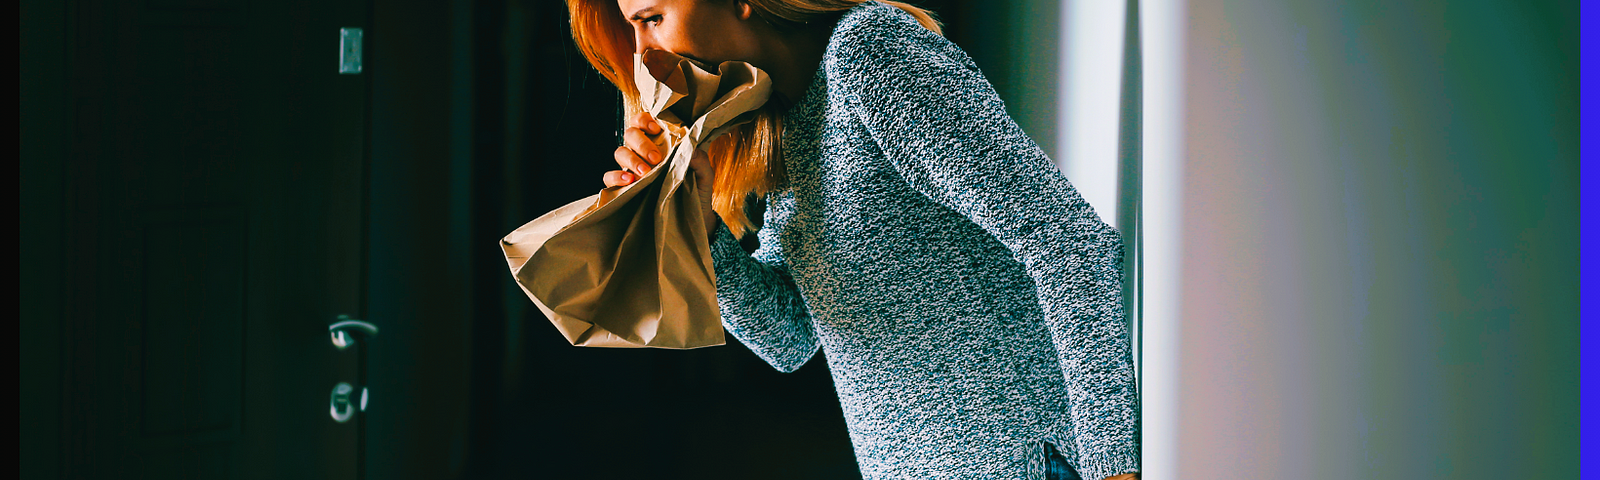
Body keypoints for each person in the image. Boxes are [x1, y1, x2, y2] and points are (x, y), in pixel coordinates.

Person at [570, 0, 1140, 478]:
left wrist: (1112, 462)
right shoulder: (784, 126)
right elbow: (789, 340)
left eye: (651, 17)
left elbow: (1066, 238)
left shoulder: (869, 53)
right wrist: (700, 226)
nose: (644, 54)